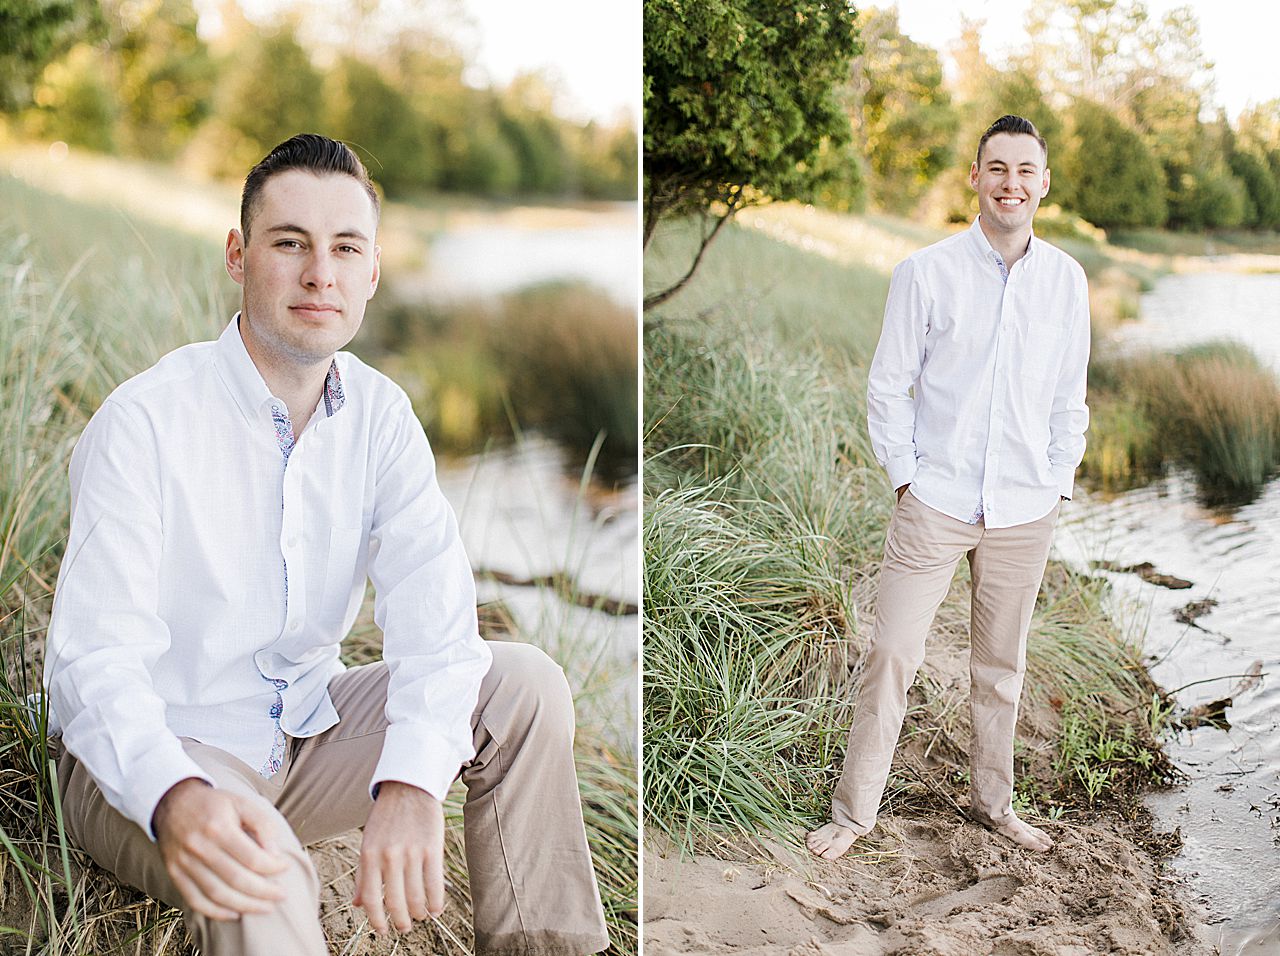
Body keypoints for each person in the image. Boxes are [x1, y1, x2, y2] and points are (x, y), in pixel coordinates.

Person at [43, 133, 610, 954]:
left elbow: (437, 617)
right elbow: (92, 665)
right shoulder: (144, 424)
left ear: (373, 272)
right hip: (151, 760)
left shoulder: (382, 417)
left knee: (524, 686)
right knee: (267, 870)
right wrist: (176, 793)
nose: (321, 274)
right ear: (238, 256)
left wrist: (415, 780)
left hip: (301, 737)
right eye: (290, 244)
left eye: (347, 248)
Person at [807, 115, 1090, 861]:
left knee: (1001, 670)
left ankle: (994, 806)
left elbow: (1070, 397)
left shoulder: (1066, 281)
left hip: (1026, 508)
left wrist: (1059, 480)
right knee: (893, 653)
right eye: (997, 168)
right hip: (935, 501)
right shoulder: (926, 272)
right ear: (975, 177)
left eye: (1026, 171)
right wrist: (907, 478)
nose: (1011, 184)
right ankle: (854, 814)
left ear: (1044, 183)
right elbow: (887, 386)